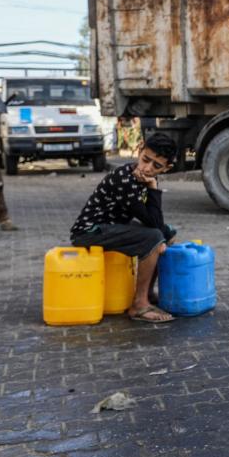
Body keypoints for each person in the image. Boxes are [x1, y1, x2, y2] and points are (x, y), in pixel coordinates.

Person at [70, 132, 179, 323]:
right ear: (140, 149)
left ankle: (147, 294)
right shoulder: (125, 179)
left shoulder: (148, 179)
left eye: (156, 166)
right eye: (145, 159)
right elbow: (152, 223)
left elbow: (155, 221)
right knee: (153, 237)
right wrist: (153, 188)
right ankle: (139, 305)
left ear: (167, 168)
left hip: (113, 227)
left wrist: (153, 186)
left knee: (167, 233)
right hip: (90, 231)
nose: (147, 167)